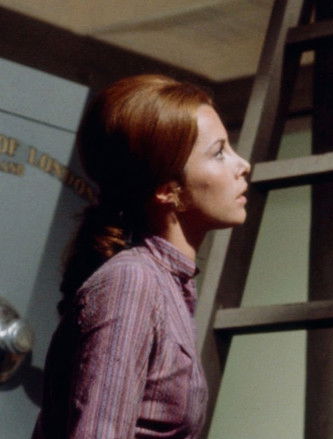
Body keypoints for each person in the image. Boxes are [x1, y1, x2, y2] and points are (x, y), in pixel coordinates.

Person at [32, 74, 250, 438]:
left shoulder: (166, 283)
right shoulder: (132, 282)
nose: (242, 164)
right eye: (219, 152)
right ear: (168, 191)